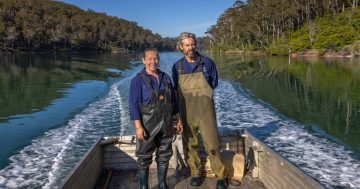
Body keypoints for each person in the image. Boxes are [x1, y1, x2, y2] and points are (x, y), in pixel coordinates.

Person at [172, 32, 227, 189]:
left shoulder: (207, 63)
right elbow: (176, 91)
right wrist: (177, 116)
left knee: (212, 143)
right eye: (187, 45)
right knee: (190, 144)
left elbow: (213, 83)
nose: (191, 47)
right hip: (186, 110)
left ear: (196, 44)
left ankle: (221, 175)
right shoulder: (177, 67)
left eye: (192, 44)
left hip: (205, 110)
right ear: (181, 47)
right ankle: (196, 173)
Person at [129, 48, 183, 189]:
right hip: (147, 125)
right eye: (150, 59)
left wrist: (178, 119)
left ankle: (162, 184)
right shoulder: (137, 80)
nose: (153, 61)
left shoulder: (166, 78)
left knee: (164, 155)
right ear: (144, 61)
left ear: (158, 60)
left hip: (166, 123)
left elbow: (174, 102)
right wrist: (138, 127)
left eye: (155, 59)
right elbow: (133, 105)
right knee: (144, 158)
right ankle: (143, 186)